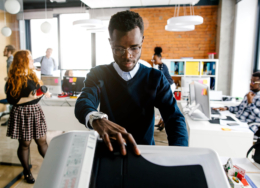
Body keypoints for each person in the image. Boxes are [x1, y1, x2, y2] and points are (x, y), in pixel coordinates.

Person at [75, 10, 188, 156]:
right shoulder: (99, 74)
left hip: (146, 153)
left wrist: (180, 157)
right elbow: (84, 101)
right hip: (110, 154)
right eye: (119, 49)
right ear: (110, 43)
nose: (128, 56)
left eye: (134, 48)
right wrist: (96, 119)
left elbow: (174, 119)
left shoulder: (155, 78)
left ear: (142, 41)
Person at [6, 50, 51, 184]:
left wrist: (44, 92)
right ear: (22, 62)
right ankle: (27, 171)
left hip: (35, 111)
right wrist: (30, 97)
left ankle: (52, 164)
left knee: (42, 141)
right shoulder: (13, 79)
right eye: (30, 59)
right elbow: (12, 100)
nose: (32, 61)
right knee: (25, 143)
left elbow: (40, 93)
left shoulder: (33, 75)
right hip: (22, 112)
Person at [213, 72, 260, 139]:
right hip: (238, 122)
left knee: (222, 134)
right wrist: (226, 108)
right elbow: (239, 107)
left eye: (253, 82)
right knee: (217, 125)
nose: (250, 84)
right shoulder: (249, 94)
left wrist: (250, 103)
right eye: (251, 81)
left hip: (248, 127)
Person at [152, 47, 176, 131]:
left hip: (170, 85)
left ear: (160, 58)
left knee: (165, 103)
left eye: (155, 60)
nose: (154, 61)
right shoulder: (160, 66)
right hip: (167, 85)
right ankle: (161, 122)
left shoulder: (162, 67)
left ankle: (163, 122)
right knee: (164, 103)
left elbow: (159, 78)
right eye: (153, 60)